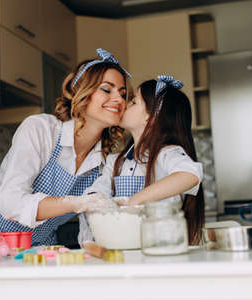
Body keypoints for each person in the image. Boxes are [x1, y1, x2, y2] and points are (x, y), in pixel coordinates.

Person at [0, 49, 131, 246]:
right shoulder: (42, 129)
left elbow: (88, 226)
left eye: (123, 93)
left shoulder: (103, 162)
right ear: (82, 92)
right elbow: (10, 202)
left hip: (37, 252)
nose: (119, 99)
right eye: (106, 89)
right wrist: (75, 203)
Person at [79, 75, 204, 245]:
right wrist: (96, 200)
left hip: (160, 250)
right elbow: (98, 192)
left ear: (150, 118)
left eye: (133, 102)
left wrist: (134, 201)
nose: (124, 105)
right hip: (123, 249)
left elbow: (190, 175)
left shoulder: (167, 154)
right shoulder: (116, 161)